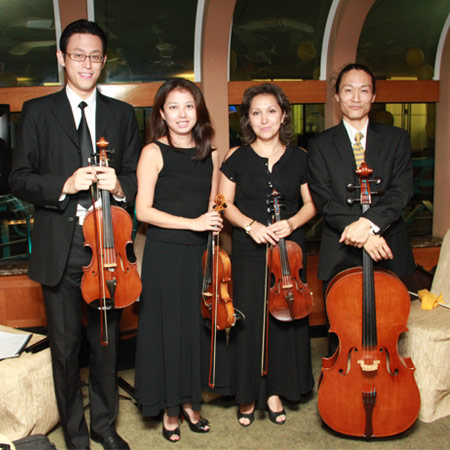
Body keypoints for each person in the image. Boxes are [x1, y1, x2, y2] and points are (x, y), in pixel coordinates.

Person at [9, 19, 140, 450]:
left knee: (105, 345)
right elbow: (20, 179)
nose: (87, 63)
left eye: (95, 56)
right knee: (65, 353)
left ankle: (104, 427)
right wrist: (64, 185)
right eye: (78, 55)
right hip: (60, 249)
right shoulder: (37, 111)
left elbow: (136, 178)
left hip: (107, 247)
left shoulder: (122, 114)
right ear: (63, 58)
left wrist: (118, 185)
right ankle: (76, 435)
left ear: (105, 62)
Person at [218, 83, 316, 427]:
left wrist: (291, 223)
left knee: (284, 320)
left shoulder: (301, 157)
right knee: (249, 322)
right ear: (247, 118)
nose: (264, 119)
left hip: (289, 251)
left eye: (271, 111)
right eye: (256, 112)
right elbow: (223, 203)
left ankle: (275, 391)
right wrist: (249, 226)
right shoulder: (236, 157)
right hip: (249, 250)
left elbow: (311, 204)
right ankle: (247, 395)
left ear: (283, 115)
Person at [134, 78, 222, 443]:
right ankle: (170, 407)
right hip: (165, 252)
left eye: (189, 105)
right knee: (168, 328)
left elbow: (213, 205)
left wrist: (213, 225)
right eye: (173, 107)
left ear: (198, 110)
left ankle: (190, 401)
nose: (182, 114)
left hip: (199, 252)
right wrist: (193, 223)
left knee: (194, 329)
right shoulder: (153, 152)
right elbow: (143, 210)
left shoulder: (211, 154)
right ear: (161, 114)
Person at [307, 63, 416, 354]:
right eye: (348, 90)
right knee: (341, 332)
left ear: (374, 96)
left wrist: (368, 225)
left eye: (364, 90)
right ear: (337, 96)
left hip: (388, 246)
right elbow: (322, 197)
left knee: (388, 328)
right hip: (342, 249)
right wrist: (365, 234)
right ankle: (342, 394)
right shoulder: (319, 144)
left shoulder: (397, 139)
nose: (356, 97)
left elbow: (401, 190)